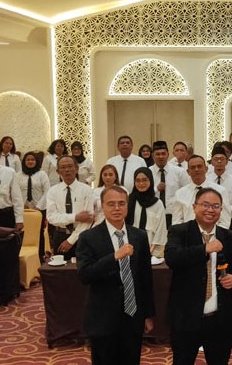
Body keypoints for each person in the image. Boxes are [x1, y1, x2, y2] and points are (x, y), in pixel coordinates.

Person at [165, 187, 232, 365]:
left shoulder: (229, 236)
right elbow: (172, 258)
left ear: (221, 210)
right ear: (194, 206)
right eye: (205, 205)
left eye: (215, 206)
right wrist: (204, 248)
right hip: (187, 317)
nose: (210, 210)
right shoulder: (180, 231)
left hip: (219, 317)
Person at [76, 186, 154, 365]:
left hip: (133, 316)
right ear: (102, 206)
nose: (117, 208)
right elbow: (85, 275)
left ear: (127, 206)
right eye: (111, 204)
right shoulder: (88, 237)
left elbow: (146, 279)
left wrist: (148, 314)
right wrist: (113, 257)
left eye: (121, 203)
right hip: (103, 318)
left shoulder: (139, 236)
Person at [46, 155, 94, 260]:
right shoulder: (52, 191)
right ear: (58, 171)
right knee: (61, 268)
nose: (67, 170)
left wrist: (70, 241)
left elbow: (88, 220)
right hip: (60, 235)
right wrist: (75, 217)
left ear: (76, 169)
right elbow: (51, 217)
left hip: (82, 236)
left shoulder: (87, 190)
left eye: (70, 166)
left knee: (83, 267)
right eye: (63, 167)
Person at [173, 155, 230, 228]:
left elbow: (225, 222)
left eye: (199, 166)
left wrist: (211, 234)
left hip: (214, 234)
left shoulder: (220, 191)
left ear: (206, 169)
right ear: (188, 172)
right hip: (187, 234)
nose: (196, 169)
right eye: (193, 167)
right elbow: (177, 222)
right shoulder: (180, 194)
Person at [148, 140, 190, 230]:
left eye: (163, 154)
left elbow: (187, 192)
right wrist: (156, 189)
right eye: (157, 154)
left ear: (168, 154)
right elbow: (144, 194)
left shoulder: (179, 172)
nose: (161, 156)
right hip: (153, 214)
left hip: (174, 215)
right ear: (153, 155)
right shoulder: (148, 172)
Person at [126, 167, 166, 257]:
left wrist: (149, 251)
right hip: (129, 248)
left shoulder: (158, 204)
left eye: (144, 180)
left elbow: (160, 229)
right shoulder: (129, 201)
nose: (141, 183)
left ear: (150, 181)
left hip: (151, 250)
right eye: (138, 180)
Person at [206, 146, 232, 219]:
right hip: (209, 217)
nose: (219, 161)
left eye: (222, 159)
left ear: (226, 161)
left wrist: (224, 210)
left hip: (228, 218)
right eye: (216, 159)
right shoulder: (206, 180)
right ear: (212, 162)